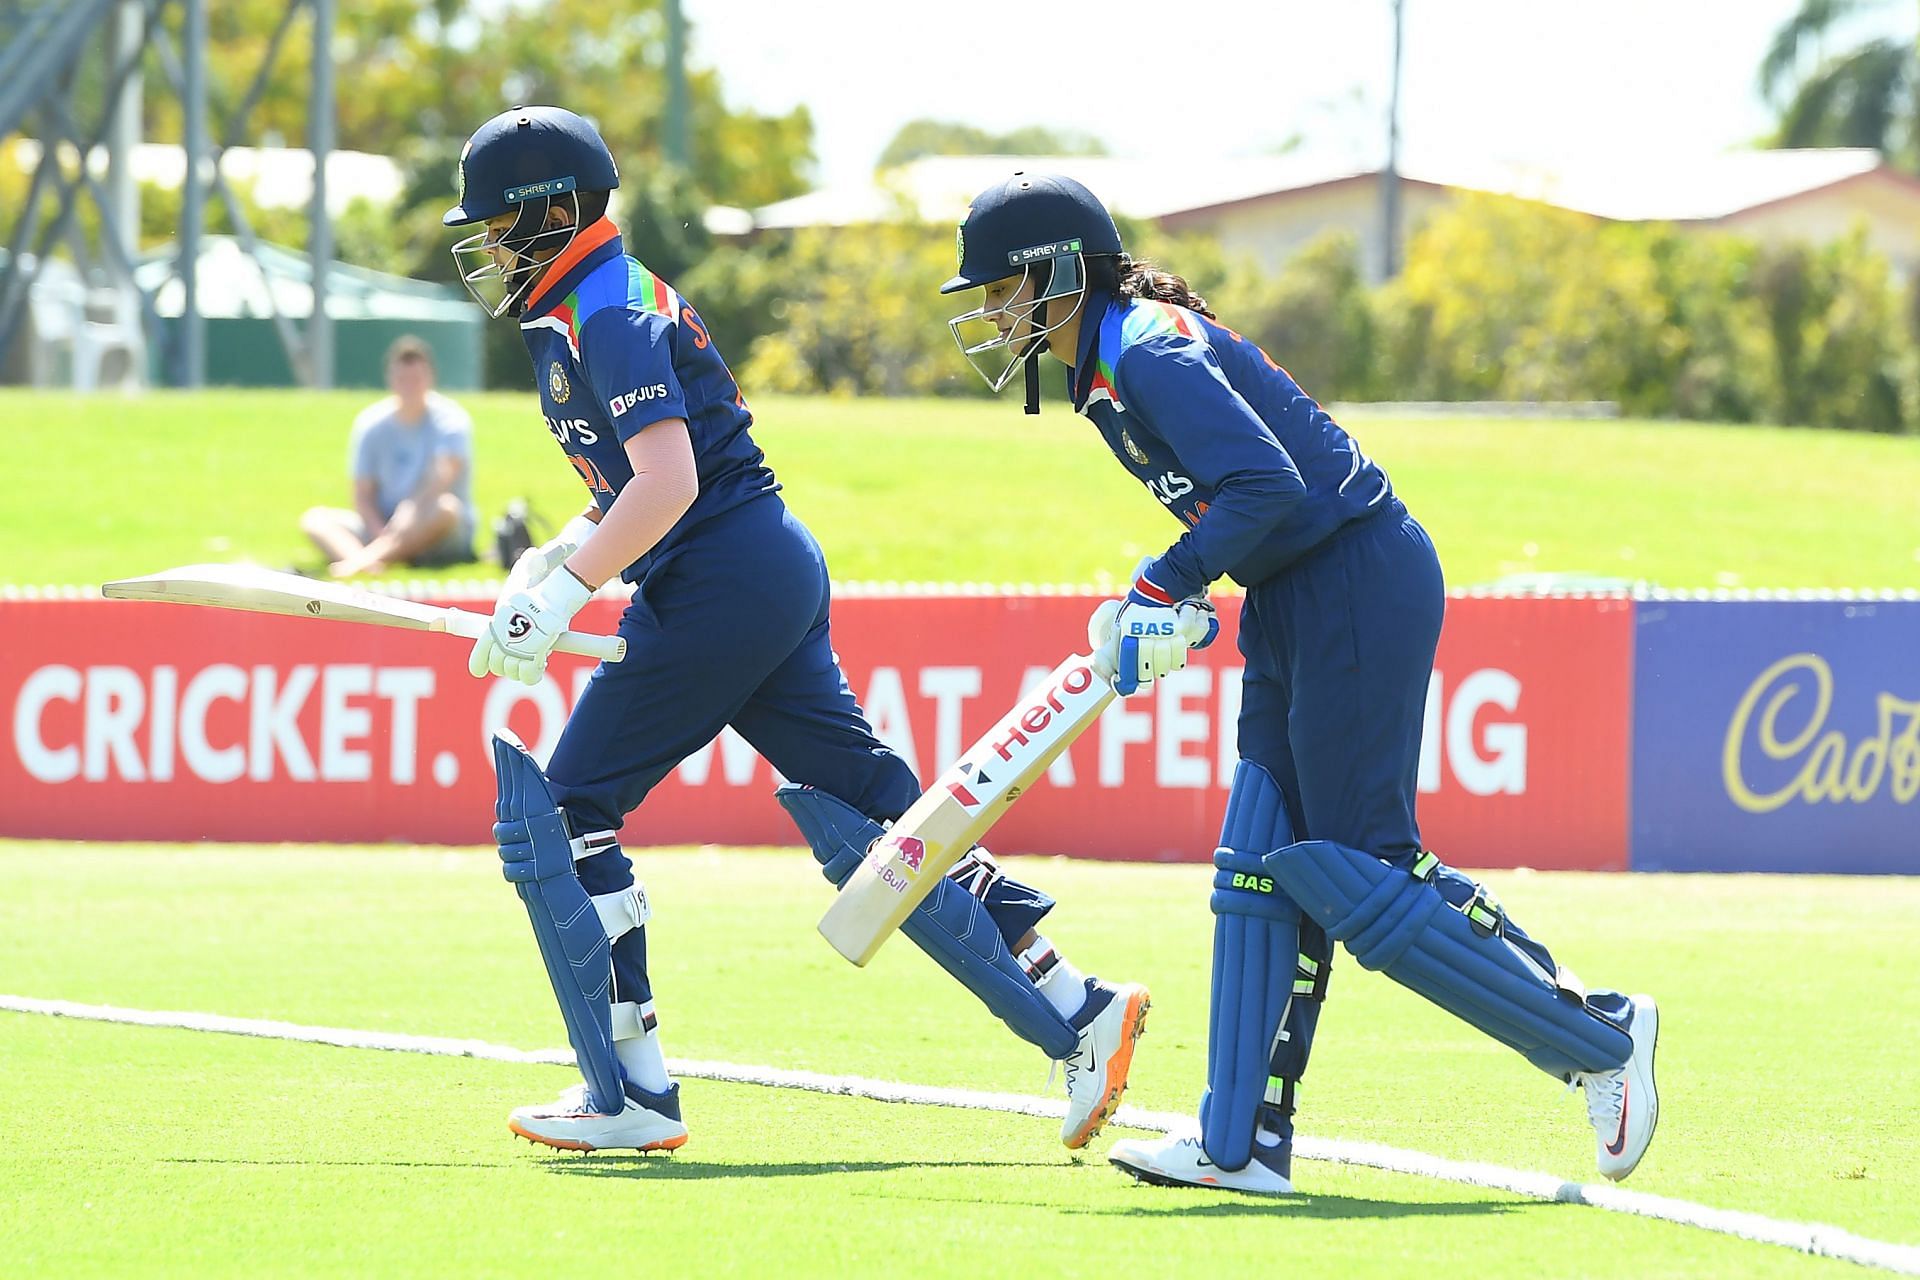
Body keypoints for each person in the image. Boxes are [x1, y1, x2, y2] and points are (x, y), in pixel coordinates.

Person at [442, 107, 1150, 1155]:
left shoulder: (612, 311)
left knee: (571, 807)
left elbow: (671, 481)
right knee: (882, 818)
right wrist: (551, 561)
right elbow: (627, 484)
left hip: (720, 578)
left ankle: (630, 1088)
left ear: (553, 214)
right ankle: (1075, 1003)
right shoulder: (586, 311)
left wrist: (568, 592)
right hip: (755, 567)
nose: (491, 248)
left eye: (500, 225)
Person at [938, 172, 1661, 1194]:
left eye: (1002, 286)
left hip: (1354, 574)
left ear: (1060, 272)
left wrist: (1163, 579)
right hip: (1290, 590)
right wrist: (1172, 601)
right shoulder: (1103, 374)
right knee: (1260, 857)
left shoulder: (1146, 347)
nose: (990, 311)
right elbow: (1233, 505)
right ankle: (1239, 1143)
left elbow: (1271, 483)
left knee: (1356, 864)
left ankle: (1601, 1033)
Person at [300, 336, 475, 577]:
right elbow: (362, 495)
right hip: (383, 523)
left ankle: (361, 563)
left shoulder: (451, 420)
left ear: (430, 378)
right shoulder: (371, 424)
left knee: (447, 508)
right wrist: (380, 531)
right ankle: (369, 561)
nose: (409, 387)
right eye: (403, 379)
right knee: (315, 519)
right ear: (390, 379)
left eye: (416, 379)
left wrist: (410, 512)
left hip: (430, 520)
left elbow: (442, 477)